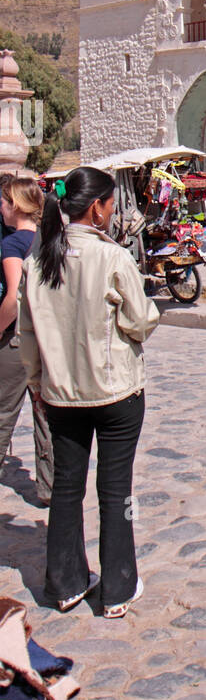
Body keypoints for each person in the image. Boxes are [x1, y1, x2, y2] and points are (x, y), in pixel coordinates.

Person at [17, 167, 160, 618]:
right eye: (110, 203)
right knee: (116, 490)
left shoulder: (35, 262)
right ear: (97, 208)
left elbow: (28, 334)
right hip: (115, 391)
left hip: (61, 395)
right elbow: (139, 320)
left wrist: (38, 384)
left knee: (66, 488)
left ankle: (65, 583)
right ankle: (117, 587)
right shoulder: (113, 259)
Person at [0, 177, 53, 502]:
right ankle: (49, 487)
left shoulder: (12, 245)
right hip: (48, 339)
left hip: (18, 340)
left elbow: (12, 298)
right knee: (45, 417)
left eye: (3, 203)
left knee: (3, 413)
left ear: (15, 205)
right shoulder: (48, 240)